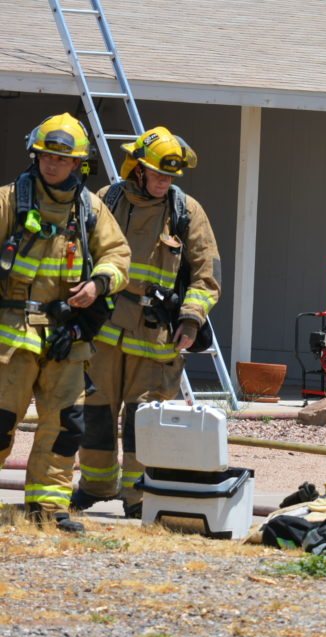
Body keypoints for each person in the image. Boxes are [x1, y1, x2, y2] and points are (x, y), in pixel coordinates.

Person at [71, 126, 221, 518]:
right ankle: (95, 485)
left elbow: (207, 276)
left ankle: (138, 495)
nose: (164, 182)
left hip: (155, 335)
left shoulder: (186, 212)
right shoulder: (107, 200)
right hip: (103, 329)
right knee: (95, 410)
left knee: (146, 418)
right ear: (137, 169)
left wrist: (191, 320)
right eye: (157, 174)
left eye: (170, 176)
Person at [0, 113, 130, 532]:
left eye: (61, 159)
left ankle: (48, 508)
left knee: (65, 427)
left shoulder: (89, 209)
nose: (51, 164)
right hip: (11, 335)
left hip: (66, 337)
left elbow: (118, 256)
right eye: (45, 156)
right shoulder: (9, 202)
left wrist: (97, 285)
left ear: (77, 163)